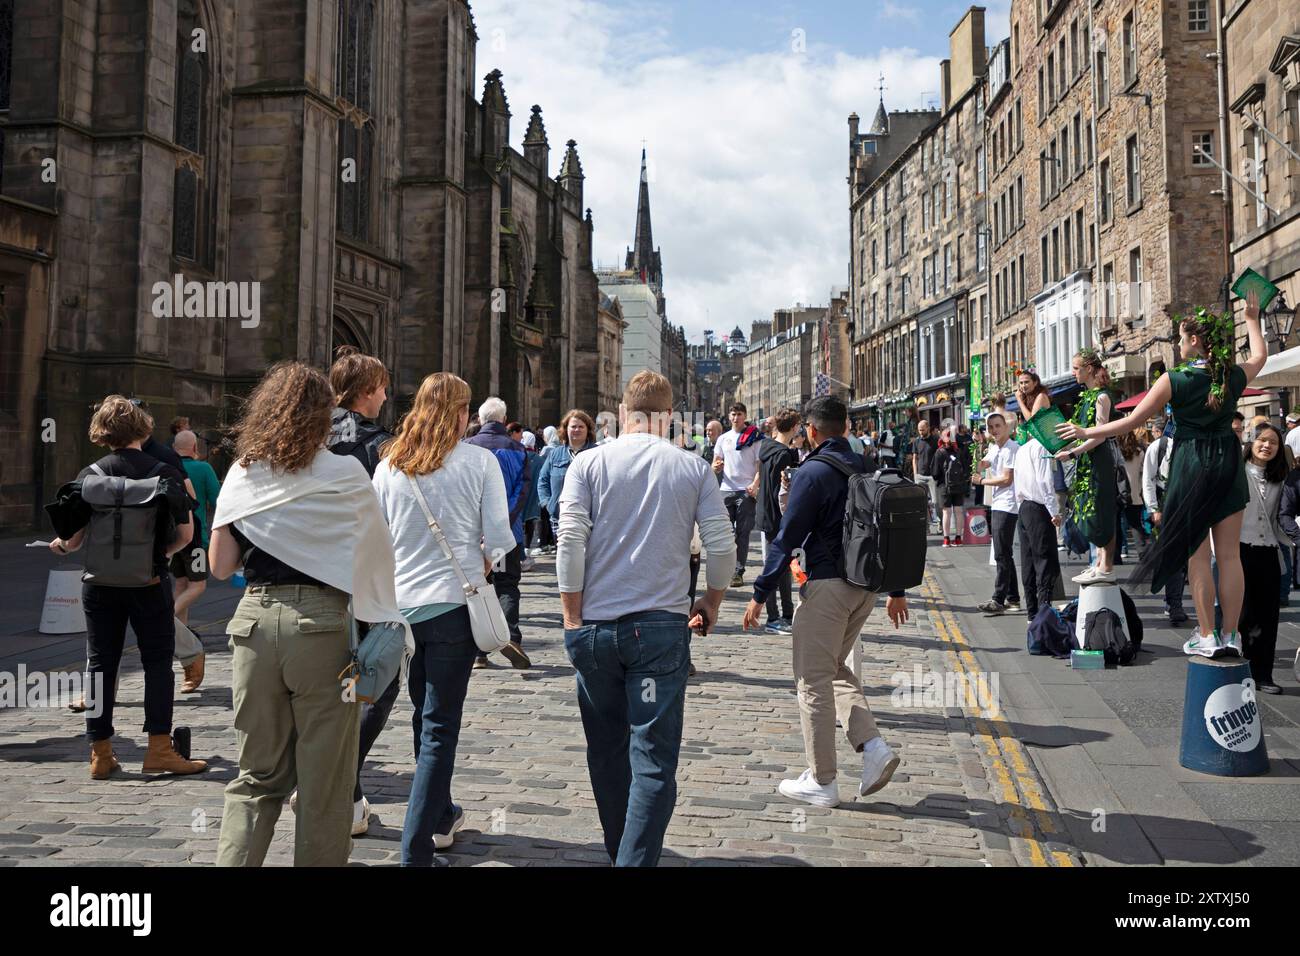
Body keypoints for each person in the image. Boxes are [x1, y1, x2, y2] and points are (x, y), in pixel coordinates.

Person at [209, 362, 408, 866]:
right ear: (325, 415)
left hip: (252, 623)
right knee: (325, 780)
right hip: (323, 626)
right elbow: (376, 556)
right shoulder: (345, 471)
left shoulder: (244, 470)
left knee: (256, 776)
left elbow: (220, 565)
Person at [557, 371, 735, 866]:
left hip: (593, 628)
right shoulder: (692, 468)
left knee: (607, 753)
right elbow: (722, 547)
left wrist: (571, 618)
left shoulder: (587, 464)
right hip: (658, 629)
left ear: (622, 409)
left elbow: (569, 543)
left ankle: (623, 852)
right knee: (653, 761)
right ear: (670, 415)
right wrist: (712, 602)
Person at [1058, 293, 1268, 659]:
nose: (1178, 343)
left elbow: (1132, 420)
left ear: (1194, 341)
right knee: (1231, 556)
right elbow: (1259, 357)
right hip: (1228, 464)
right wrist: (1251, 318)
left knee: (1198, 555)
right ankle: (1231, 635)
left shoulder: (1175, 379)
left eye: (1181, 337)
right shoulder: (1230, 376)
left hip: (1191, 464)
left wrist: (1086, 432)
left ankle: (1207, 635)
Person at [369, 372, 518, 865]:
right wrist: (483, 557)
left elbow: (374, 538)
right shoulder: (479, 462)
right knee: (438, 727)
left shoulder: (389, 463)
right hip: (454, 607)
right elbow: (498, 537)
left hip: (402, 610)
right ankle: (417, 850)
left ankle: (437, 817)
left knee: (423, 715)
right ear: (457, 412)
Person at [742, 396, 908, 808]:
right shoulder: (867, 466)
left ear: (811, 431)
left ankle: (822, 780)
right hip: (865, 586)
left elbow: (788, 536)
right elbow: (892, 529)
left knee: (811, 680)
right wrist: (897, 589)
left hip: (828, 585)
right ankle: (872, 747)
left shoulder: (812, 472)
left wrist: (760, 594)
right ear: (846, 428)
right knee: (833, 668)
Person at [45, 396, 207, 780]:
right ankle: (159, 751)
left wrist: (62, 546)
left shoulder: (90, 473)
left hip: (99, 585)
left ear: (102, 433)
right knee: (156, 663)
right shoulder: (164, 471)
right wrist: (155, 556)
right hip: (148, 581)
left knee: (101, 664)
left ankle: (100, 754)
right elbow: (185, 535)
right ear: (144, 428)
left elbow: (74, 540)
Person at [323, 346, 400, 831]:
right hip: (366, 577)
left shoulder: (304, 433)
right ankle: (342, 783)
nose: (388, 395)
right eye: (383, 388)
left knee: (331, 684)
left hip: (309, 573)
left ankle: (337, 790)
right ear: (368, 393)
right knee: (376, 680)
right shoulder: (381, 445)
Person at [465, 397, 531, 669]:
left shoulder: (465, 448)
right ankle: (510, 636)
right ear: (504, 420)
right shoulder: (517, 449)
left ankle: (479, 651)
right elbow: (522, 492)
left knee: (479, 587)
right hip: (507, 536)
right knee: (507, 585)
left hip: (473, 535)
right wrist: (503, 522)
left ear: (480, 420)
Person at [1056, 349, 1118, 584]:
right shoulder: (1086, 397)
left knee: (1102, 509)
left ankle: (1106, 564)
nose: (1073, 373)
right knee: (1090, 507)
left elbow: (1099, 435)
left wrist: (1072, 452)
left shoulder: (1102, 397)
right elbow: (1081, 435)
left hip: (1099, 459)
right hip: (1087, 459)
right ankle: (1098, 562)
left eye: (1076, 368)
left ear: (1089, 369)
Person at [1236, 423, 1288, 695]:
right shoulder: (1237, 472)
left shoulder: (1282, 478)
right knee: (1240, 613)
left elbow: (1284, 517)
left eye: (1273, 443)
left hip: (1268, 550)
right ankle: (1237, 666)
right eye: (1262, 440)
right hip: (1239, 549)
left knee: (1268, 616)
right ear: (1251, 442)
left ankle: (1263, 674)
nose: (1267, 446)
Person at [171, 429, 220, 692]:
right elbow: (218, 500)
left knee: (181, 583)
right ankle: (165, 616)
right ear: (194, 447)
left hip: (171, 538)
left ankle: (182, 634)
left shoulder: (166, 465)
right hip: (196, 538)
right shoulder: (202, 469)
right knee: (198, 585)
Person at [756, 407, 800, 634]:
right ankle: (774, 618)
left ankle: (786, 614)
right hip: (777, 517)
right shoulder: (782, 454)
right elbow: (779, 491)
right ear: (793, 427)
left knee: (780, 566)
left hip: (766, 514)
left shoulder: (766, 447)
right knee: (775, 567)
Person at [1141, 420, 1190, 625]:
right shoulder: (1158, 446)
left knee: (1188, 558)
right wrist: (1153, 509)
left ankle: (1175, 601)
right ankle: (1174, 604)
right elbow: (1148, 478)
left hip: (1190, 502)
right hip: (1165, 504)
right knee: (1174, 558)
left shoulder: (1194, 443)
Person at [1013, 433, 1063, 621]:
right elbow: (1044, 482)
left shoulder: (1022, 449)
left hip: (1025, 507)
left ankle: (1032, 612)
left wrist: (1021, 506)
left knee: (1028, 561)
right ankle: (1043, 612)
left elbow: (1017, 483)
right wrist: (1054, 512)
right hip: (1038, 508)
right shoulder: (1041, 448)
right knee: (1044, 561)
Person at [973, 413, 1020, 614]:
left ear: (1007, 427)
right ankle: (1013, 599)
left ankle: (998, 599)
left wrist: (982, 481)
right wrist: (978, 452)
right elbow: (981, 465)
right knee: (1004, 553)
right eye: (991, 427)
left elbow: (1006, 479)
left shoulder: (1011, 448)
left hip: (1008, 505)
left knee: (1001, 553)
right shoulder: (995, 448)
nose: (994, 430)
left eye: (998, 426)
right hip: (998, 503)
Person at [713, 402, 763, 587]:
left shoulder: (754, 437)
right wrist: (715, 467)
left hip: (745, 491)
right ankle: (725, 569)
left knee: (743, 533)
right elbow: (715, 463)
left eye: (739, 414)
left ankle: (738, 571)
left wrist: (755, 483)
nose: (735, 418)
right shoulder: (723, 439)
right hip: (726, 490)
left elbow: (760, 465)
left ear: (745, 415)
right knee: (726, 533)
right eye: (733, 414)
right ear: (729, 416)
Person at [538, 409, 598, 542]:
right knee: (564, 558)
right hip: (560, 517)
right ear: (566, 429)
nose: (577, 430)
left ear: (588, 430)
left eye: (581, 426)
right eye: (573, 426)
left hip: (590, 518)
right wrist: (547, 504)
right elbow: (543, 480)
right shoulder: (555, 454)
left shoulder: (597, 453)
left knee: (588, 559)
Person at [1116, 425, 1150, 561]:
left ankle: (1115, 556)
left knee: (1116, 526)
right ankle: (1142, 553)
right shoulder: (1139, 452)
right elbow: (1144, 472)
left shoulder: (1116, 451)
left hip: (1118, 493)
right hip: (1135, 494)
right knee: (1135, 524)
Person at [520, 431, 543, 571]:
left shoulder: (519, 456)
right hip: (534, 495)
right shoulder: (539, 459)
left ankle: (520, 553)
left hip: (519, 495)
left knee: (517, 524)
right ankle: (527, 550)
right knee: (530, 523)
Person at [910, 419, 939, 529]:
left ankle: (936, 526)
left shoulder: (935, 440)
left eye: (922, 430)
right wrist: (915, 474)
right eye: (919, 430)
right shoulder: (917, 441)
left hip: (932, 476)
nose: (920, 432)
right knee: (921, 502)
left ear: (928, 428)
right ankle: (924, 526)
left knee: (934, 503)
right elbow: (914, 458)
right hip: (920, 475)